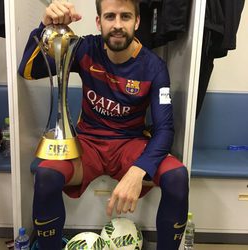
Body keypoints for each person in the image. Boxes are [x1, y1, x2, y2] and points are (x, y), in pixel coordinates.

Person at [18, 0, 189, 249]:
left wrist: (139, 169)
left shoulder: (154, 67)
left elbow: (165, 129)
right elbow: (28, 70)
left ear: (137, 21)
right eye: (110, 16)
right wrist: (45, 27)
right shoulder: (84, 48)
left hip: (130, 146)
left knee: (177, 177)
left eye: (125, 17)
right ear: (99, 22)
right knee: (45, 175)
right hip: (88, 144)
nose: (117, 25)